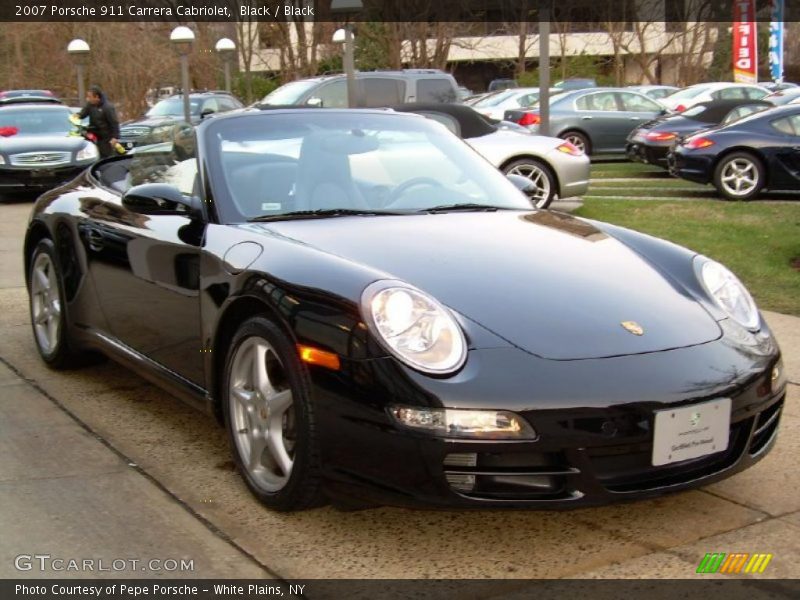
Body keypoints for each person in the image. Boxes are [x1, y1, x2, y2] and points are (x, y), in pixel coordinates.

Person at [77, 85, 120, 158]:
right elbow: (82, 114)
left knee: (106, 158)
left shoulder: (107, 107)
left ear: (96, 97)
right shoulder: (90, 105)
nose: (88, 99)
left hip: (105, 139)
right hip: (93, 137)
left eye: (90, 97)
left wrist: (115, 137)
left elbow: (114, 123)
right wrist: (76, 116)